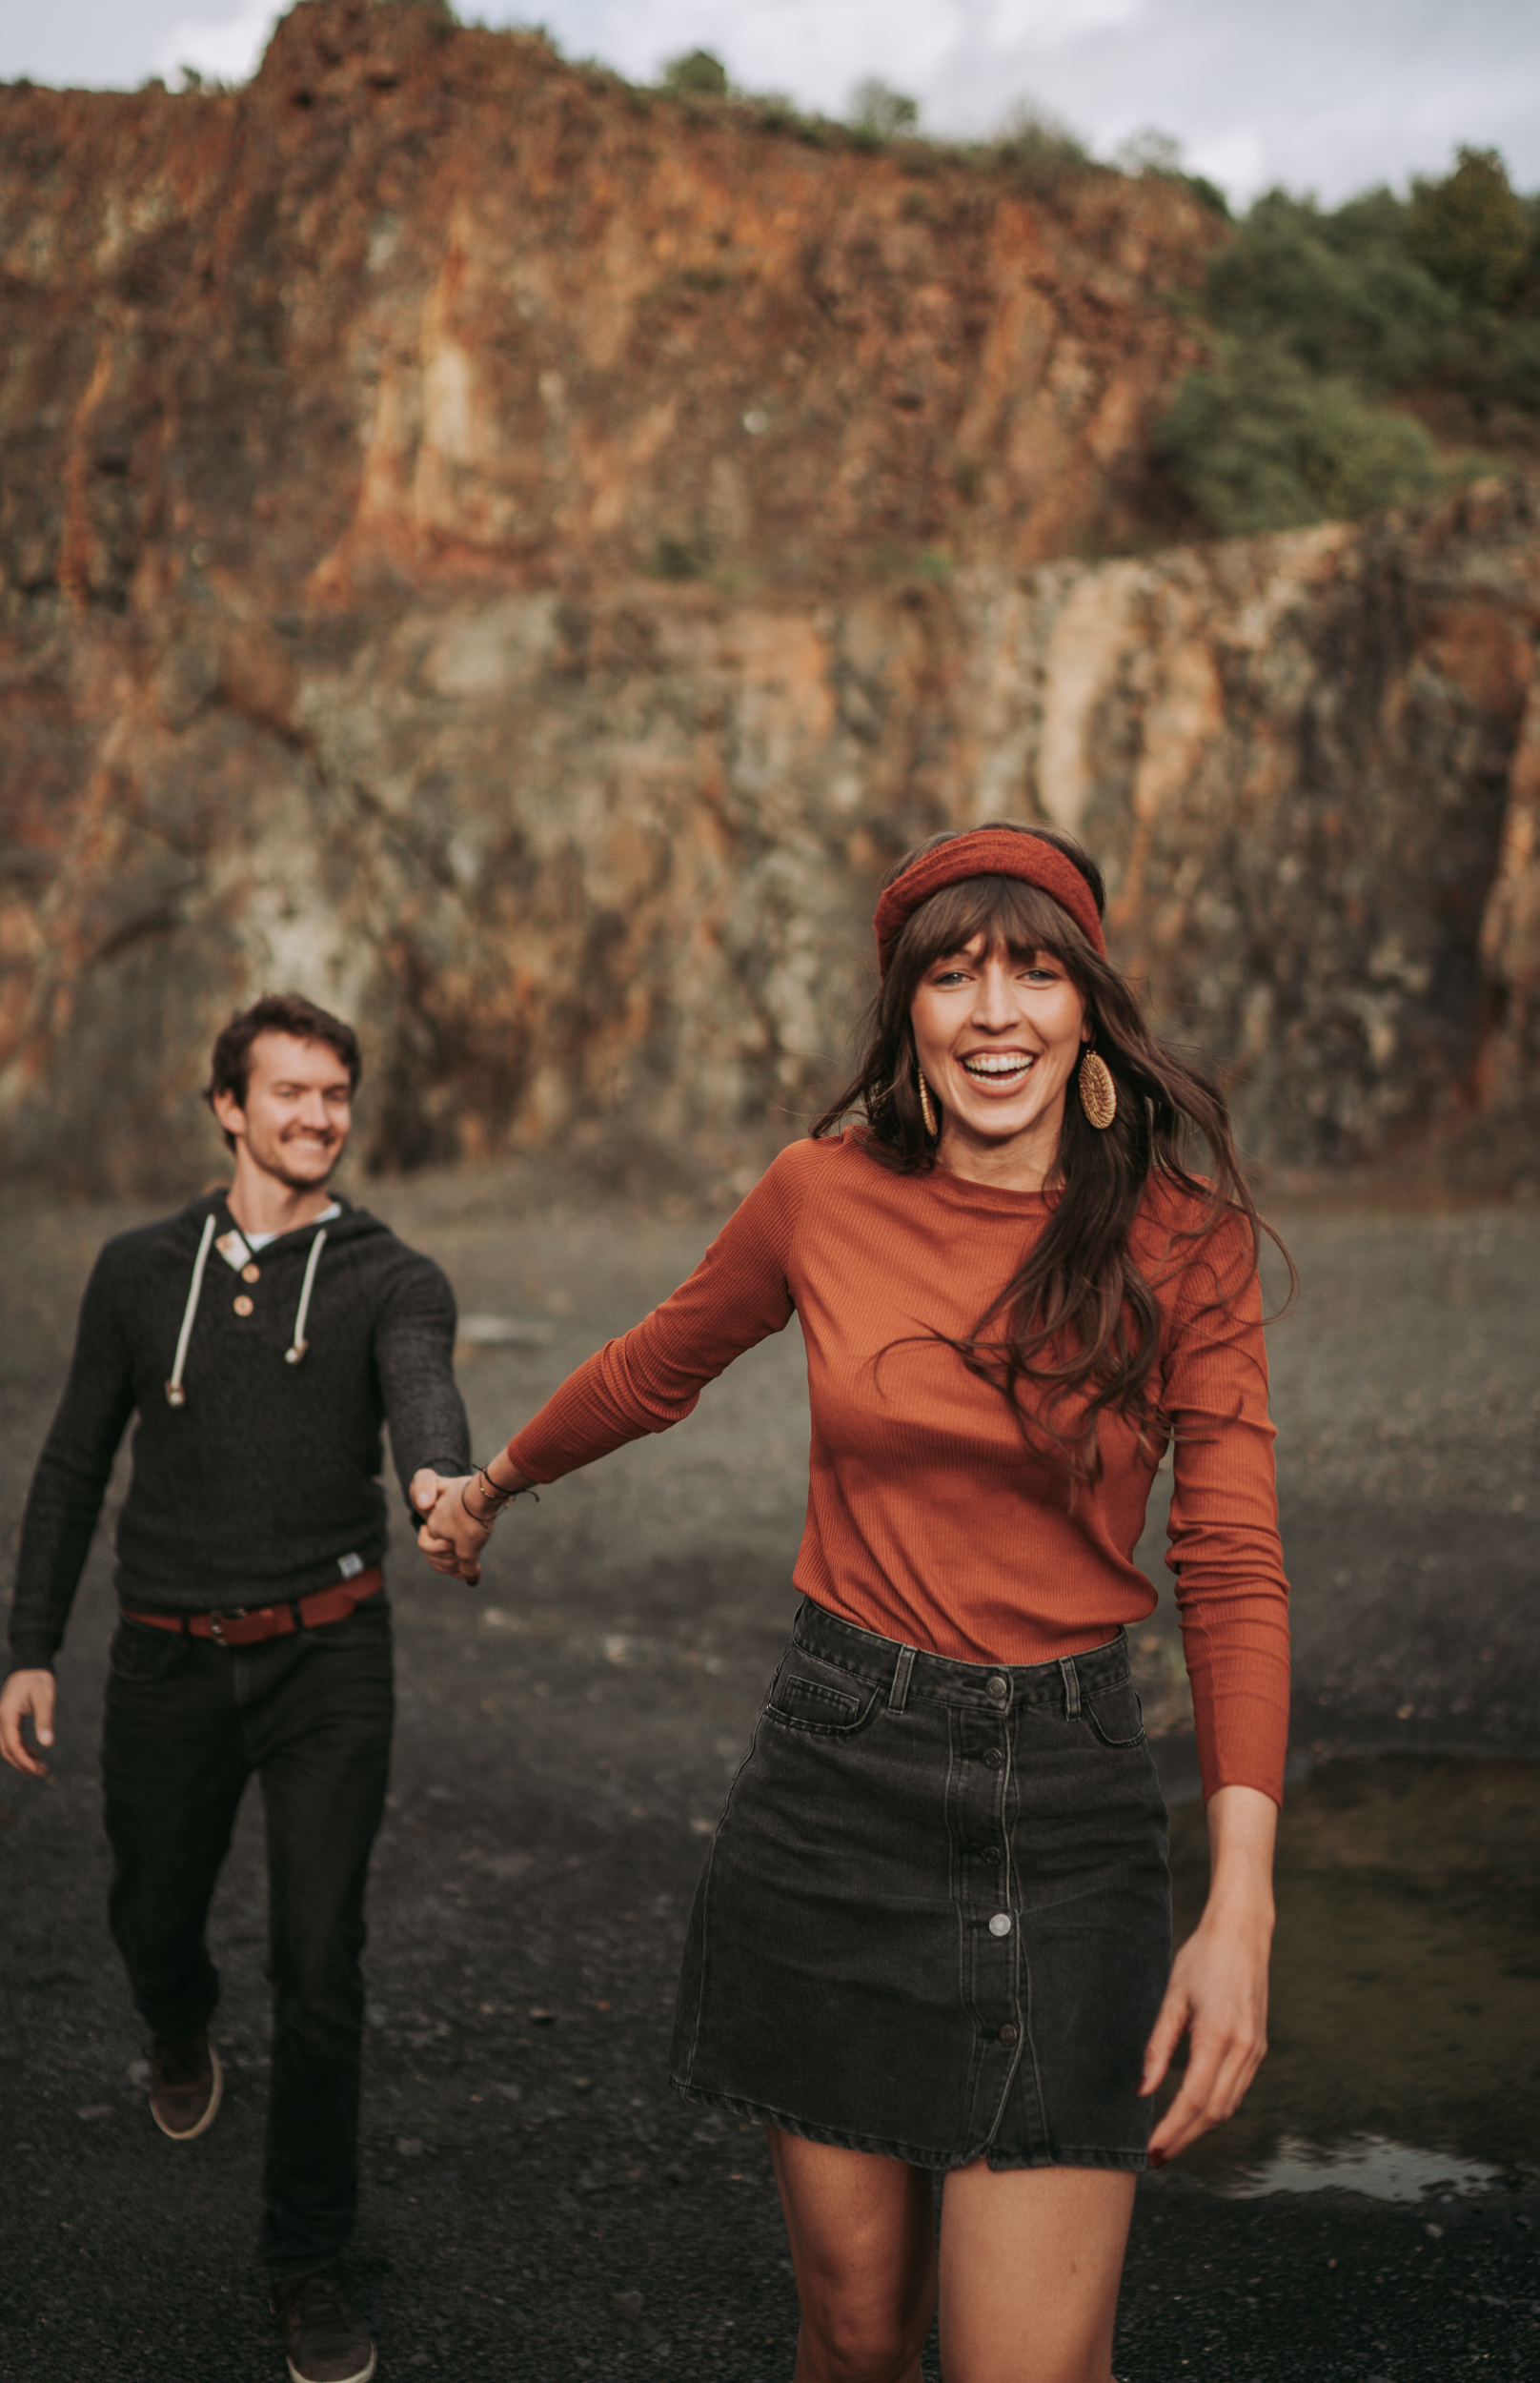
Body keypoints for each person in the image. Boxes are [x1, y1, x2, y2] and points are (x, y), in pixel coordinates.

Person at [419, 823, 1291, 2383]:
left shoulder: (1186, 1242)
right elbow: (658, 1363)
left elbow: (1229, 1564)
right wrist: (492, 1484)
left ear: (1089, 1006)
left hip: (1072, 1817)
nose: (995, 1013)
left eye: (1035, 972)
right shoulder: (819, 1195)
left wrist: (1243, 1903)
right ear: (907, 1016)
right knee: (855, 2337)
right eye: (954, 977)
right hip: (835, 1789)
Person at [0, 991, 473, 2383]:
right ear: (228, 1106)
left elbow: (422, 1391)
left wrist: (441, 1482)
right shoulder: (138, 1272)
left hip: (330, 1653)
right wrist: (30, 1645)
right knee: (152, 1911)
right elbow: (73, 1463)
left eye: (335, 1094)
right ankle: (176, 2018)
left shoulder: (393, 1275)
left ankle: (307, 2263)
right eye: (290, 1092)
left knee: (322, 1964)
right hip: (164, 1653)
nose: (318, 1117)